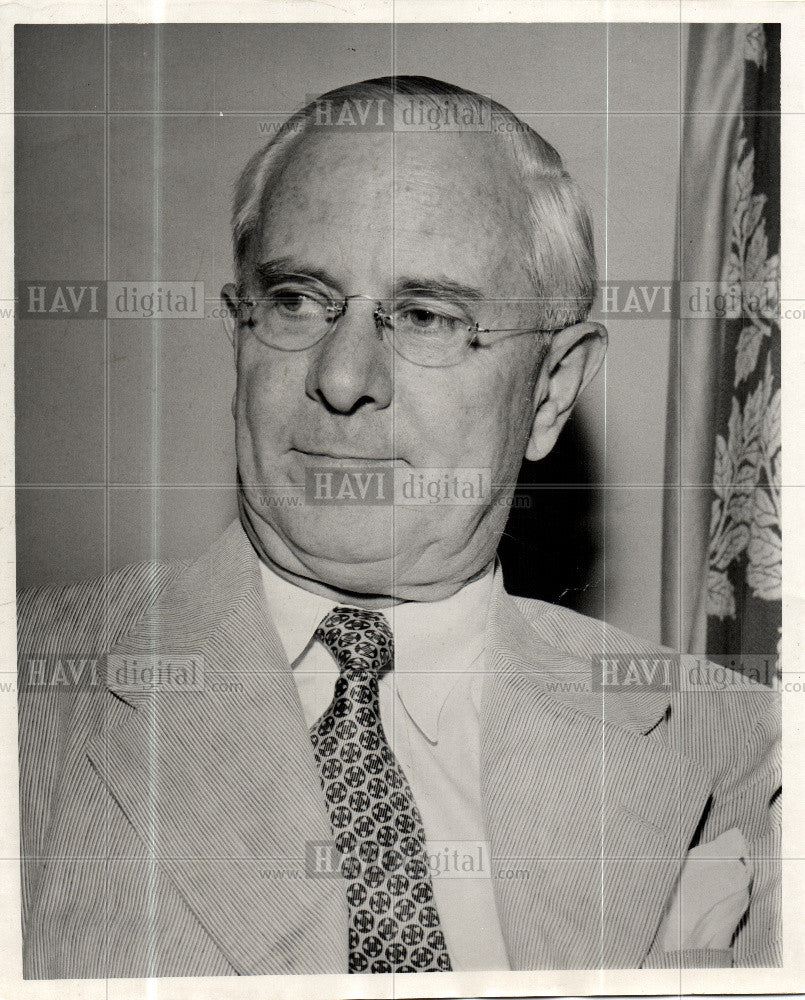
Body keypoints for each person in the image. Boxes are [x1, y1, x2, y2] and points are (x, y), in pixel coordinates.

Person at [17, 76, 780, 979]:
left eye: (425, 316)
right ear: (240, 334)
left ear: (550, 393)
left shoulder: (746, 747)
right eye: (297, 299)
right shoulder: (35, 691)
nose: (341, 378)